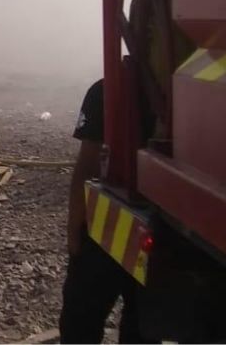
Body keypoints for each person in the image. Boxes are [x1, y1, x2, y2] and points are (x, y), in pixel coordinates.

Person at [59, 78, 144, 343]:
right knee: (142, 325)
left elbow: (88, 164)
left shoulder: (108, 90)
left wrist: (73, 231)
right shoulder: (179, 90)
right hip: (162, 223)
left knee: (81, 319)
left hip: (107, 222)